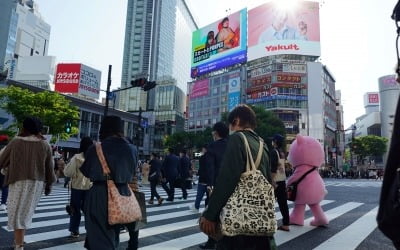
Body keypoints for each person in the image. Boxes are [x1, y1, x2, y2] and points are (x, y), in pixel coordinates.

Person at [199, 105, 275, 250]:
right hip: (258, 215)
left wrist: (210, 215)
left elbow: (227, 179)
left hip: (238, 214)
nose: (230, 129)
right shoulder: (262, 143)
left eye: (230, 125)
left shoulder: (237, 138)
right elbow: (267, 179)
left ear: (236, 120)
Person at [80, 116, 136, 250]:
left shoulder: (95, 149)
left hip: (100, 194)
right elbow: (133, 172)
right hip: (123, 193)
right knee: (114, 233)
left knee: (99, 235)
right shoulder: (132, 149)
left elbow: (86, 172)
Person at [0, 117, 56, 250]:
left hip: (17, 180)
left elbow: (2, 160)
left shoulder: (16, 142)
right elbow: (49, 167)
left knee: (15, 212)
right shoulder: (45, 144)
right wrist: (49, 185)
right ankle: (19, 242)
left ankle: (19, 243)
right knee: (25, 212)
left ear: (24, 127)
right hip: (36, 183)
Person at [199, 121, 229, 249]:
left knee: (211, 213)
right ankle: (225, 240)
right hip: (231, 185)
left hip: (216, 186)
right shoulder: (232, 145)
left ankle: (211, 241)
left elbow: (210, 168)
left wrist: (210, 185)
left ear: (216, 133)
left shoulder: (212, 146)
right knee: (227, 212)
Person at [63, 137, 93, 238]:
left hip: (77, 187)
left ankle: (74, 230)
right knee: (89, 210)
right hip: (89, 187)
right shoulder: (94, 158)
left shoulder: (76, 158)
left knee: (75, 209)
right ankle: (90, 229)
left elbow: (68, 172)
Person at [270, 134, 290, 232]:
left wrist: (272, 182)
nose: (272, 142)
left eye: (273, 140)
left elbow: (273, 168)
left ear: (275, 142)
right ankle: (286, 224)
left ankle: (269, 223)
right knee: (283, 203)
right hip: (282, 179)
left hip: (275, 181)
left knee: (268, 202)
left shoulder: (274, 152)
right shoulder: (282, 152)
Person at [191, 145, 210, 212]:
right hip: (210, 180)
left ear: (205, 149)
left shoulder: (203, 157)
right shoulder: (212, 157)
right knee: (209, 196)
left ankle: (196, 207)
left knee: (199, 195)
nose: (202, 151)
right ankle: (207, 208)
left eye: (202, 149)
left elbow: (201, 169)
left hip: (202, 179)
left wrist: (197, 172)